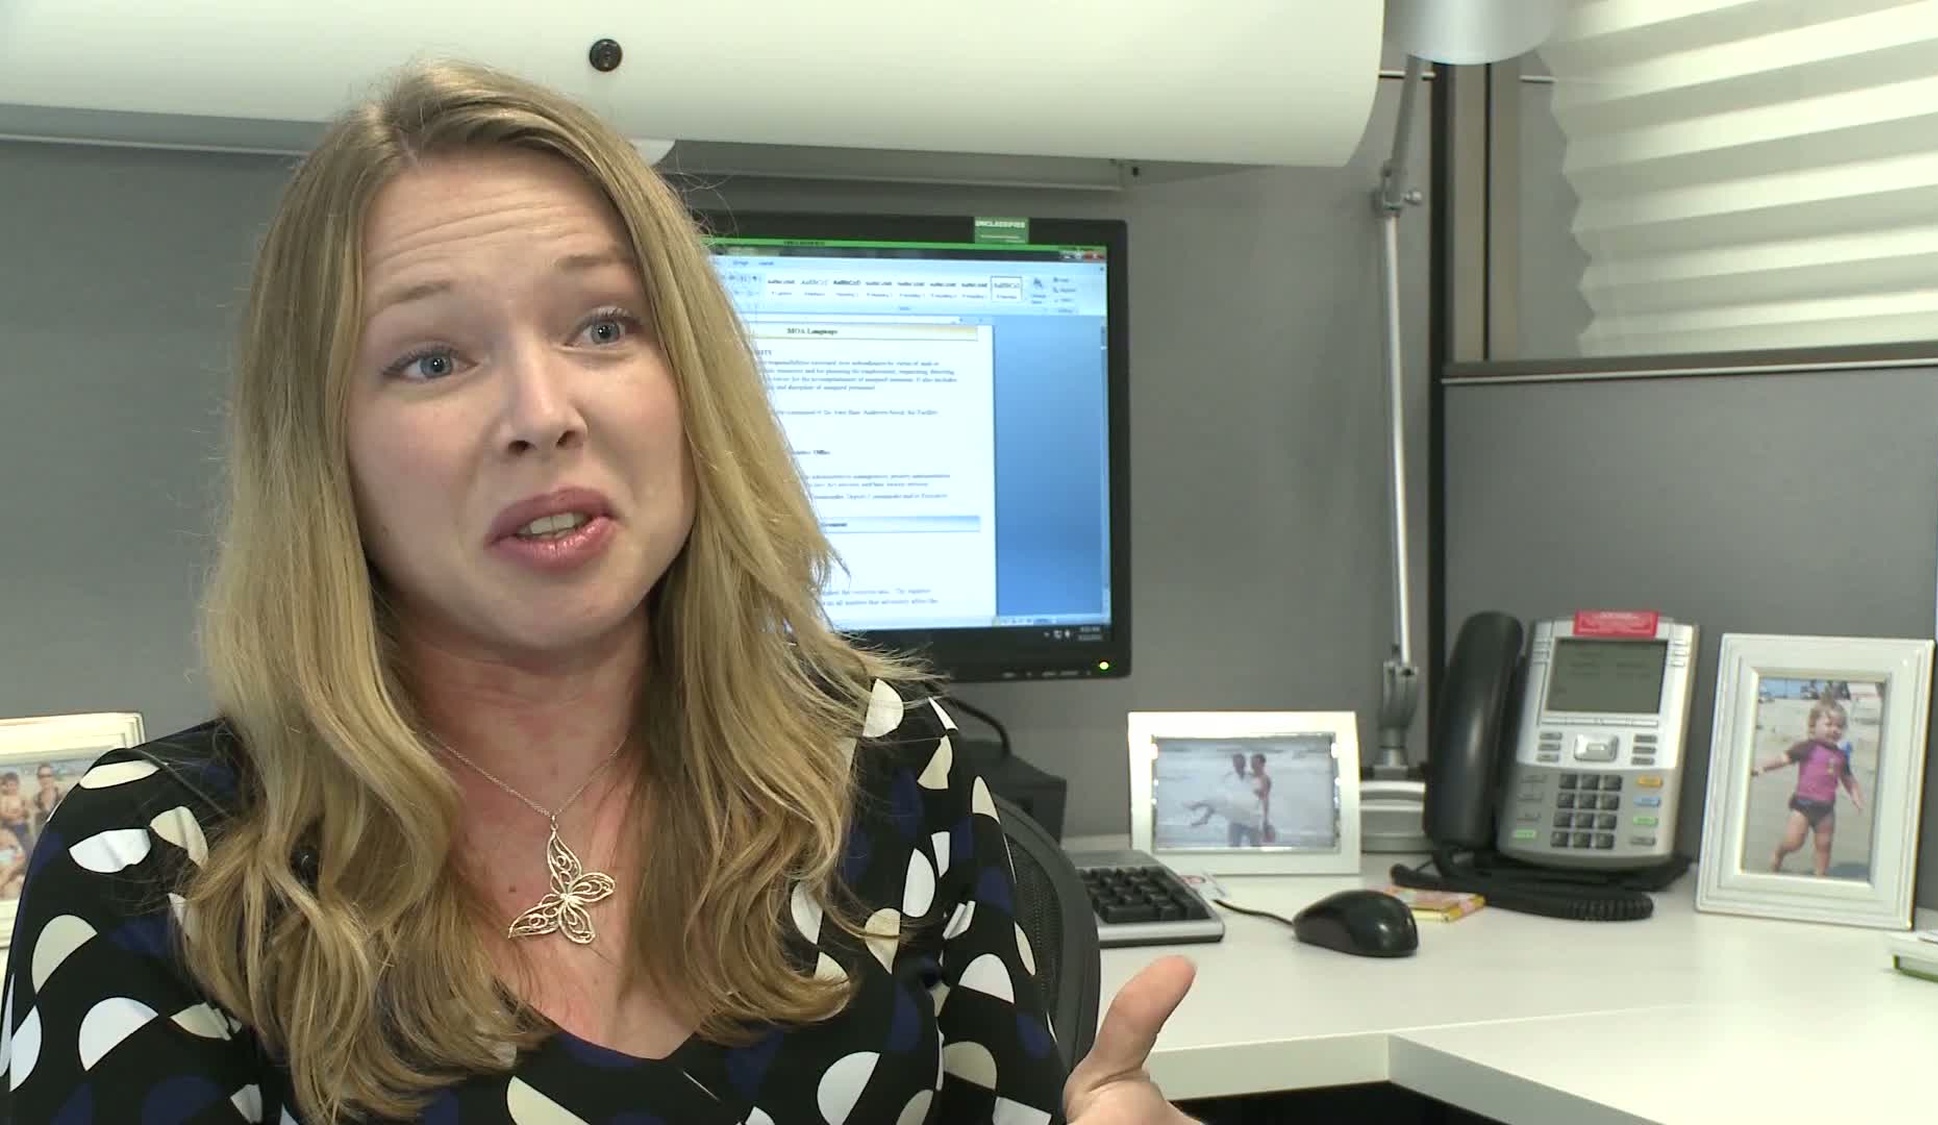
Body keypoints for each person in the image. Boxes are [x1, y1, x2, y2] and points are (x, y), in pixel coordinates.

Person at [0, 60, 1197, 1124]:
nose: (540, 413)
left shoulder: (888, 768)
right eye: (432, 358)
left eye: (604, 326)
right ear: (323, 450)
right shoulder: (158, 869)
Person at [1752, 696, 1866, 876]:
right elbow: (1783, 758)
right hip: (1802, 806)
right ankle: (1780, 852)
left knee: (1824, 846)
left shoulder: (1841, 755)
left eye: (1839, 726)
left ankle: (1820, 876)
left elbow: (1848, 778)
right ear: (1813, 726)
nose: (1834, 730)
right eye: (1829, 724)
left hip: (1826, 809)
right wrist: (1762, 768)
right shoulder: (1807, 747)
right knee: (1793, 843)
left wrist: (1856, 797)